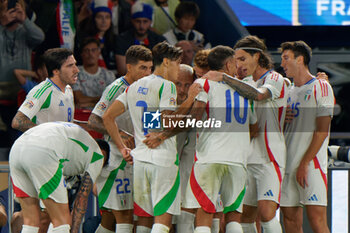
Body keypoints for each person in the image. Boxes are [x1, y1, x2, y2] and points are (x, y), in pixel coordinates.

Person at [102, 41, 201, 233]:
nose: (178, 69)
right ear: (165, 62)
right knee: (162, 221)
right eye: (176, 63)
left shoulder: (134, 86)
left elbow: (108, 117)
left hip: (140, 160)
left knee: (144, 221)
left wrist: (123, 148)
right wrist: (190, 99)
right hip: (163, 160)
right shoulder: (167, 86)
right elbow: (169, 121)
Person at [204, 35, 288, 233]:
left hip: (270, 157)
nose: (238, 64)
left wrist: (225, 77)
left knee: (267, 214)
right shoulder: (243, 81)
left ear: (257, 56)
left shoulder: (273, 78)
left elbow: (259, 95)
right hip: (245, 157)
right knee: (245, 217)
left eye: (242, 59)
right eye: (235, 61)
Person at [88, 45, 153, 233]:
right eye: (143, 68)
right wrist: (122, 134)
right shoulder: (116, 88)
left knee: (110, 220)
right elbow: (93, 120)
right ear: (129, 67)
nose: (148, 72)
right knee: (125, 216)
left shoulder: (148, 88)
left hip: (137, 159)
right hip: (117, 161)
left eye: (150, 68)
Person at [9, 121, 104, 233]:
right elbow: (81, 199)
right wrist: (73, 230)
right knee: (62, 221)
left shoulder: (80, 144)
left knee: (30, 221)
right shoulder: (98, 158)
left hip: (17, 149)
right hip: (43, 150)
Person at [280, 41, 334, 233]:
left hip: (311, 164)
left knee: (317, 221)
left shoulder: (321, 86)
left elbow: (322, 131)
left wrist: (304, 162)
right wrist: (280, 117)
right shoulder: (287, 91)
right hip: (287, 163)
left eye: (286, 58)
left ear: (300, 59)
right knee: (290, 220)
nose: (282, 64)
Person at [0, 0, 44, 148]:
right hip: (1, 89)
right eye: (9, 9)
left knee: (19, 131)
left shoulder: (26, 31)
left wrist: (24, 20)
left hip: (22, 90)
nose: (12, 13)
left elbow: (40, 37)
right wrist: (2, 22)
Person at [12, 48, 78, 132]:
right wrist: (47, 135)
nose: (76, 70)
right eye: (70, 66)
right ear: (56, 71)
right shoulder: (42, 91)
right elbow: (18, 121)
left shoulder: (68, 89)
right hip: (42, 144)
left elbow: (63, 122)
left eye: (75, 64)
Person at [115, 1, 166, 76]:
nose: (141, 26)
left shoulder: (159, 41)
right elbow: (122, 70)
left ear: (150, 22)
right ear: (132, 21)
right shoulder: (122, 39)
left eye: (145, 21)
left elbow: (163, 69)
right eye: (138, 21)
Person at [73, 37, 115, 109]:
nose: (90, 54)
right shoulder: (75, 73)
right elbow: (79, 99)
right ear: (81, 54)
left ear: (99, 52)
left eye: (93, 50)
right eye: (86, 50)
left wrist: (90, 103)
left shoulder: (109, 75)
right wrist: (101, 99)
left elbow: (112, 100)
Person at [78, 0, 117, 70]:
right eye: (99, 17)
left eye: (107, 17)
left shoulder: (114, 39)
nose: (104, 21)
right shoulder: (83, 38)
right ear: (93, 19)